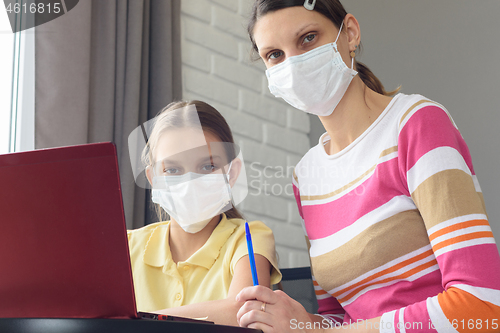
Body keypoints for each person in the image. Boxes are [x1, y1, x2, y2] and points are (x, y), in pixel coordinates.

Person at [236, 0, 500, 332]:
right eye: (274, 55)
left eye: (307, 38)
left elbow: (482, 306)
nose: (294, 63)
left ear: (349, 33)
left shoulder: (415, 125)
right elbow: (337, 320)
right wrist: (299, 324)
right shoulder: (306, 175)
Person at [127, 100, 281, 326]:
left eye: (207, 166)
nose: (189, 182)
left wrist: (135, 323)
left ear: (232, 173)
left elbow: (245, 311)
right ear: (153, 179)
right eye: (172, 169)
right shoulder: (126, 246)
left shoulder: (249, 237)